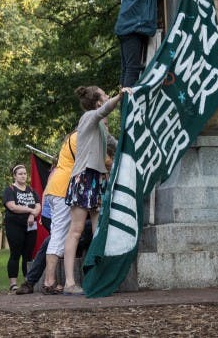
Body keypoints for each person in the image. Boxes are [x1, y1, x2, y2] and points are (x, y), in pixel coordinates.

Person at [62, 86, 130, 296]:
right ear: (98, 102)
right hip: (83, 178)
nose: (108, 96)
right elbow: (104, 111)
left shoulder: (100, 127)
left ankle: (98, 278)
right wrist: (120, 96)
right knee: (76, 230)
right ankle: (69, 283)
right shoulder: (88, 118)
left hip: (97, 179)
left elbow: (114, 144)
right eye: (105, 95)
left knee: (98, 231)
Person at [40, 131, 79, 295]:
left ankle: (50, 280)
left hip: (54, 188)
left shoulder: (69, 140)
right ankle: (49, 281)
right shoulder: (79, 137)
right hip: (62, 189)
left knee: (58, 233)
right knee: (59, 235)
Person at [2, 165, 39, 293]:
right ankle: (13, 283)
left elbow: (38, 206)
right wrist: (30, 210)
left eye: (25, 173)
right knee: (15, 253)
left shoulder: (31, 190)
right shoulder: (10, 190)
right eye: (20, 174)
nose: (23, 176)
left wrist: (32, 214)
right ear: (14, 176)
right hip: (14, 225)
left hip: (30, 226)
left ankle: (27, 282)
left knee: (28, 255)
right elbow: (12, 207)